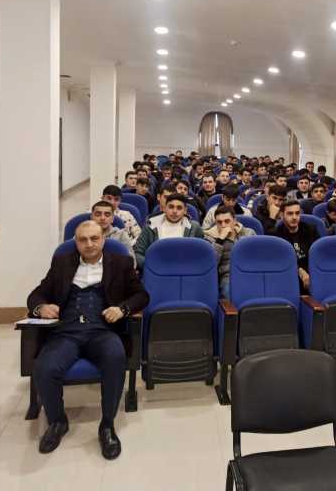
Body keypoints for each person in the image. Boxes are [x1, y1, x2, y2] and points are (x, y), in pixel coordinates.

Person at [27, 220, 149, 459]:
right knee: (45, 367)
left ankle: (107, 425)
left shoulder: (121, 263)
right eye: (83, 240)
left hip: (102, 330)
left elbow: (141, 295)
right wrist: (41, 308)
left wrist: (122, 309)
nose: (89, 244)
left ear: (103, 239)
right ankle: (57, 421)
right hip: (67, 332)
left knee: (115, 358)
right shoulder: (62, 263)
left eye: (94, 238)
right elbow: (36, 295)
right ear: (76, 242)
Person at [133, 194, 204, 271]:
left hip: (186, 270)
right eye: (171, 207)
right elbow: (138, 253)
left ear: (185, 211)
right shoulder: (150, 227)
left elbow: (201, 252)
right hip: (157, 271)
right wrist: (151, 267)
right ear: (164, 208)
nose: (174, 211)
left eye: (179, 208)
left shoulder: (194, 227)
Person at [204, 205, 257, 299]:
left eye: (227, 221)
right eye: (219, 222)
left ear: (235, 221)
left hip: (250, 272)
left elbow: (257, 256)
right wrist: (220, 240)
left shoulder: (248, 233)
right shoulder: (210, 237)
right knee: (229, 292)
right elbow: (210, 264)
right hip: (228, 277)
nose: (223, 225)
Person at [270, 200, 320, 293]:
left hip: (312, 275)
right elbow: (281, 261)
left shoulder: (311, 230)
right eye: (290, 213)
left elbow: (318, 256)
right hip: (288, 278)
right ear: (282, 215)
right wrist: (300, 271)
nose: (294, 217)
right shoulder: (276, 235)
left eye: (297, 213)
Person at [90, 201, 135, 265]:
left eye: (107, 215)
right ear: (92, 217)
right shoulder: (83, 235)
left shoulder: (121, 235)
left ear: (112, 219)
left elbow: (132, 262)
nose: (102, 218)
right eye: (98, 214)